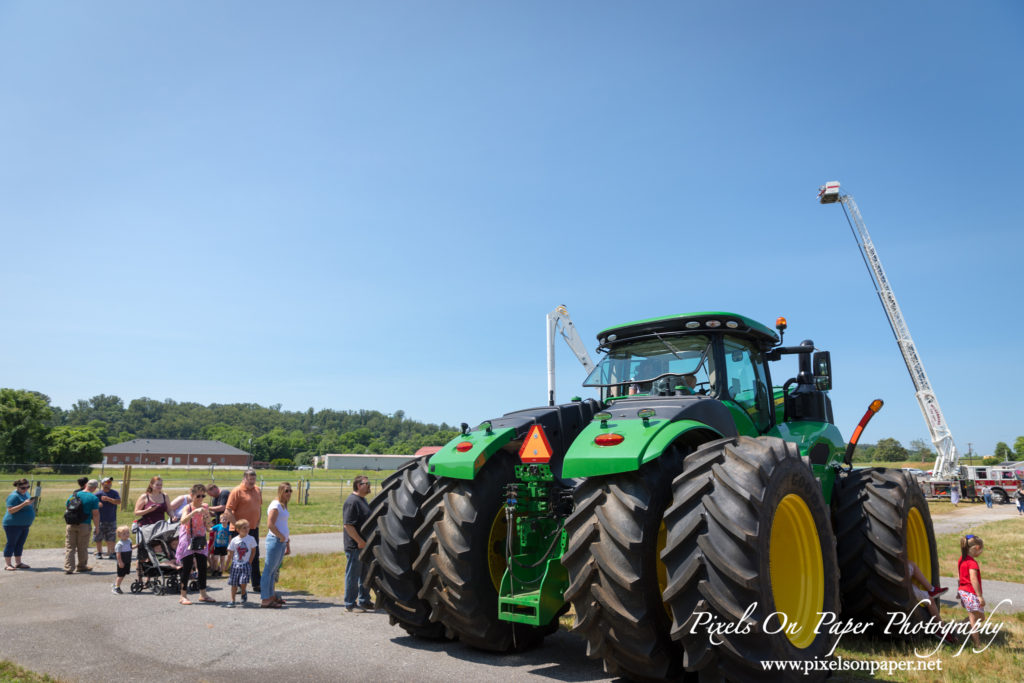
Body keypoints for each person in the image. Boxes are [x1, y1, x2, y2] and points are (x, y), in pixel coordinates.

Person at [223, 470, 264, 594]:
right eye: (249, 480)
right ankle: (238, 582)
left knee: (254, 555)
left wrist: (258, 522)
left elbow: (259, 507)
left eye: (253, 480)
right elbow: (228, 511)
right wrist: (237, 526)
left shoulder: (257, 490)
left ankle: (257, 583)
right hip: (240, 530)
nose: (252, 482)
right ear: (244, 478)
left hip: (253, 528)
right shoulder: (237, 491)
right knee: (240, 556)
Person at [176, 484, 216, 605]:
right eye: (198, 496)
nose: (200, 498)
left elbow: (208, 526)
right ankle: (183, 595)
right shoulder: (187, 508)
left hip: (200, 538)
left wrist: (208, 519)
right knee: (187, 567)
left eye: (203, 495)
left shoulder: (205, 506)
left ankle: (203, 594)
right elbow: (182, 521)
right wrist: (194, 512)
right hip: (188, 539)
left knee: (202, 566)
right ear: (191, 495)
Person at [343, 475, 373, 612]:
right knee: (353, 576)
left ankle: (364, 600)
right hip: (356, 546)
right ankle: (350, 603)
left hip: (364, 546)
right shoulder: (352, 502)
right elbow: (348, 525)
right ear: (358, 485)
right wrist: (359, 541)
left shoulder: (362, 500)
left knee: (366, 575)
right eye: (366, 483)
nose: (369, 485)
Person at [260, 483, 292, 608]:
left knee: (274, 571)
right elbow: (270, 524)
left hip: (282, 541)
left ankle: (271, 595)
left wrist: (286, 540)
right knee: (268, 570)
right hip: (275, 541)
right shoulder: (275, 505)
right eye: (286, 491)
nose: (288, 493)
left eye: (290, 491)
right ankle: (265, 599)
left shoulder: (283, 505)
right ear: (280, 491)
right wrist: (280, 536)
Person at [65, 478, 101, 574]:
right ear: (94, 488)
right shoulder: (93, 498)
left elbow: (67, 506)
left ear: (86, 485)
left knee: (70, 547)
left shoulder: (74, 495)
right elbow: (95, 514)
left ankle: (69, 567)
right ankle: (81, 566)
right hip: (84, 524)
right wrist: (97, 527)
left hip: (71, 523)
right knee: (82, 547)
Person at [957, 534, 986, 649]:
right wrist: (979, 596)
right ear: (977, 548)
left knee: (981, 617)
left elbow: (959, 576)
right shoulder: (972, 563)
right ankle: (977, 645)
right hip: (970, 593)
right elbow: (973, 580)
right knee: (974, 619)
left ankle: (959, 628)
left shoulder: (962, 559)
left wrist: (958, 591)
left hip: (964, 592)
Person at [4, 478, 36, 571]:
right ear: (17, 487)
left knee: (20, 544)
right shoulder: (13, 496)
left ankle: (18, 562)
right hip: (12, 524)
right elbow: (10, 510)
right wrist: (24, 504)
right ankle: (8, 564)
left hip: (24, 525)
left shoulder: (26, 493)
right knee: (11, 543)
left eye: (27, 487)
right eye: (23, 488)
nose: (25, 489)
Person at [226, 518, 257, 607]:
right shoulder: (234, 540)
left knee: (243, 582)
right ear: (238, 530)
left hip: (246, 564)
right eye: (244, 528)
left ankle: (243, 592)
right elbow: (230, 553)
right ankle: (232, 600)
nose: (247, 529)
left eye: (248, 527)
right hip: (236, 564)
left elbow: (253, 551)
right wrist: (226, 565)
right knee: (234, 583)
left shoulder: (251, 539)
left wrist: (250, 561)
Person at [94, 477, 121, 560]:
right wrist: (97, 503)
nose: (109, 484)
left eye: (110, 483)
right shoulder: (98, 494)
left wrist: (108, 499)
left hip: (111, 519)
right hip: (100, 520)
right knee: (98, 537)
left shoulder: (114, 493)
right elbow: (92, 504)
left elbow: (118, 502)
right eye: (107, 482)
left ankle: (112, 552)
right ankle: (99, 552)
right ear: (102, 484)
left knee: (111, 537)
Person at [112, 525, 132, 594]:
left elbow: (130, 548)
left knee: (123, 574)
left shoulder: (129, 541)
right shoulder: (119, 544)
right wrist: (120, 562)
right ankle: (116, 587)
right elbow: (118, 554)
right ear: (119, 536)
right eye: (124, 534)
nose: (126, 535)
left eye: (127, 533)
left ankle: (116, 584)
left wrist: (137, 545)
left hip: (127, 560)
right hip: (122, 561)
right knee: (120, 575)